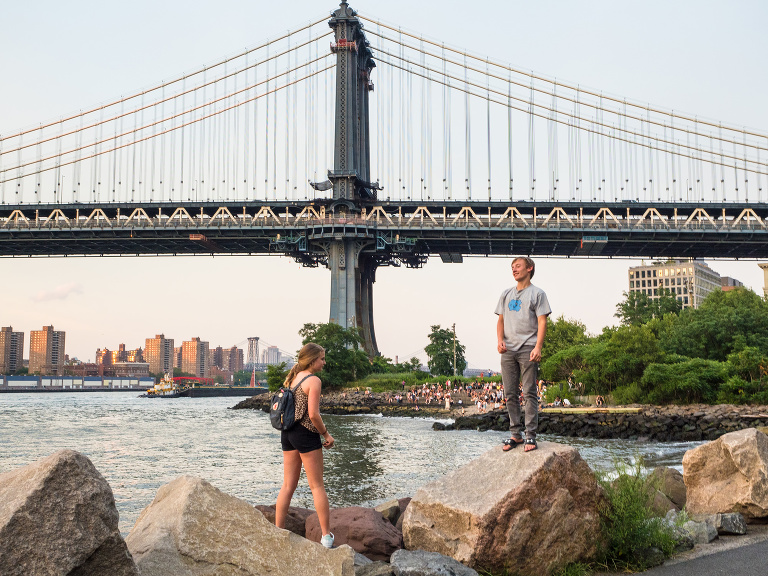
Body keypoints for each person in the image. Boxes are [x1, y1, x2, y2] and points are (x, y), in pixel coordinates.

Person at [275, 343, 336, 548]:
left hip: (287, 433)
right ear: (312, 360)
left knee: (287, 486)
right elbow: (312, 415)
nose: (324, 362)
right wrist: (326, 434)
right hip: (305, 434)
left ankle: (278, 531)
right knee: (317, 486)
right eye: (322, 359)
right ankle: (326, 538)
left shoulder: (293, 377)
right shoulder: (313, 380)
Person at [496, 256, 551, 452]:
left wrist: (538, 347)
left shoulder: (538, 293)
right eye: (512, 267)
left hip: (528, 347)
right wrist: (500, 340)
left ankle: (530, 436)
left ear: (529, 268)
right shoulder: (505, 294)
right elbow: (500, 320)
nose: (514, 269)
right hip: (508, 349)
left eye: (518, 266)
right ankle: (515, 434)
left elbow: (542, 321)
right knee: (510, 393)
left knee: (529, 393)